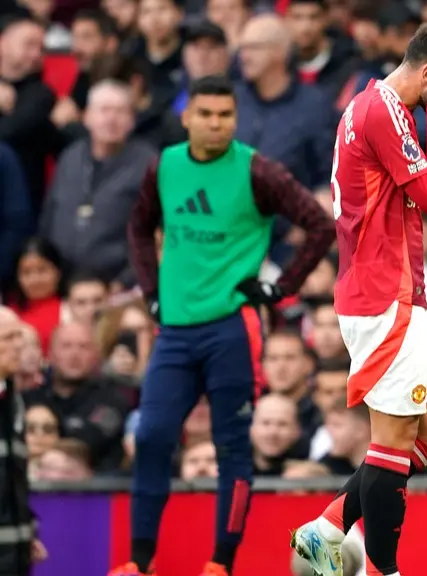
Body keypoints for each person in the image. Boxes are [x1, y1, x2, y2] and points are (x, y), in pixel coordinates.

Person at [112, 75, 335, 576]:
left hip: (232, 329)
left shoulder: (258, 170)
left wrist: (282, 287)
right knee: (151, 437)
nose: (216, 124)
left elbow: (321, 225)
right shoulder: (164, 166)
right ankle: (139, 562)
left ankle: (221, 563)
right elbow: (138, 227)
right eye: (206, 114)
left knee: (232, 446)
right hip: (174, 330)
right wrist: (150, 292)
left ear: (235, 118)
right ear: (187, 117)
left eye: (225, 115)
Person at [289, 22, 427, 576]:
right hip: (382, 295)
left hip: (394, 291)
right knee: (394, 440)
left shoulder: (375, 106)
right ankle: (384, 569)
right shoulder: (383, 111)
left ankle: (328, 527)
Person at [0, 306, 46, 576]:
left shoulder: (13, 400)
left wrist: (27, 531)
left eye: (20, 337)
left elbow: (13, 478)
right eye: (9, 338)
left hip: (14, 554)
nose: (19, 346)